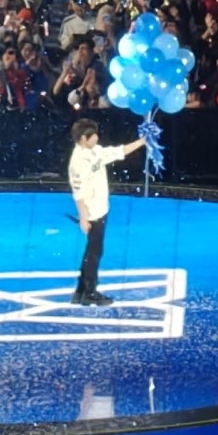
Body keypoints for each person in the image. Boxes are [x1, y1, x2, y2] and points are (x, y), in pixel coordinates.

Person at [67, 117, 144, 306]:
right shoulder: (78, 162)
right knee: (94, 252)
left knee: (92, 250)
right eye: (93, 135)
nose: (97, 137)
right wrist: (83, 218)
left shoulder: (95, 151)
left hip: (100, 208)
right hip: (92, 212)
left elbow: (118, 151)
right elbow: (79, 193)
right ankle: (89, 292)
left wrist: (143, 141)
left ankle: (81, 290)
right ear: (83, 138)